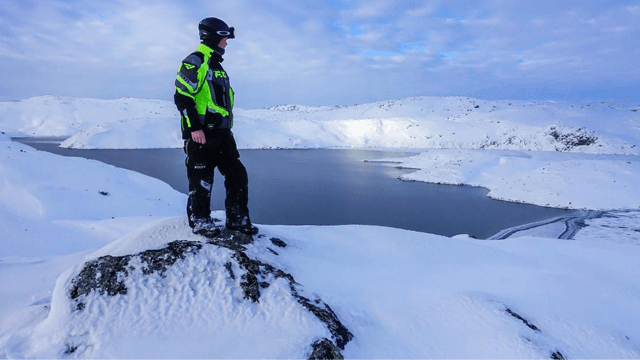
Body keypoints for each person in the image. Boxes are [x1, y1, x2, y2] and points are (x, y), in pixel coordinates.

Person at [174, 17, 258, 236]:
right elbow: (182, 97)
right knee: (202, 179)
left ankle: (237, 219)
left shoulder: (217, 66)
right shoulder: (196, 61)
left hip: (222, 134)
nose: (227, 43)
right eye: (224, 39)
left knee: (237, 174)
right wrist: (194, 129)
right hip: (202, 134)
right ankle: (200, 221)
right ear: (212, 37)